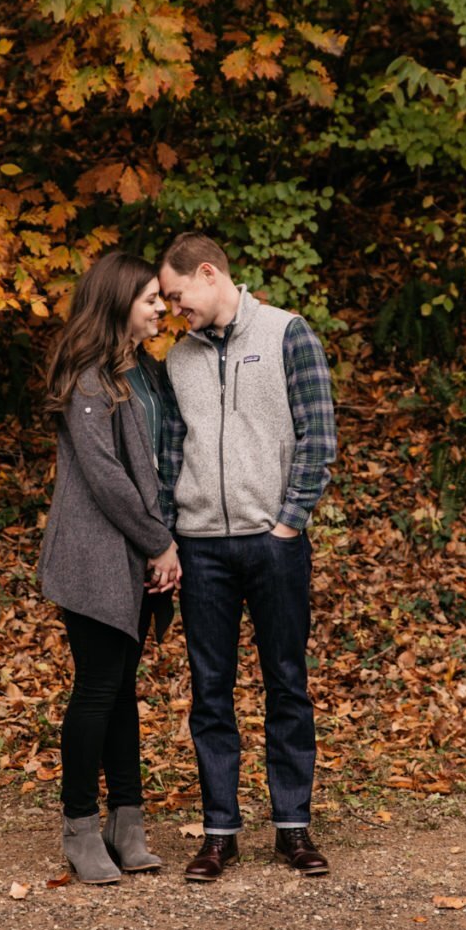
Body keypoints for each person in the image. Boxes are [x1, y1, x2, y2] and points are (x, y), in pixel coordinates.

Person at [157, 233, 337, 881]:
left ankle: (292, 827)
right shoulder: (176, 358)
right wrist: (169, 534)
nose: (175, 311)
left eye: (179, 297)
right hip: (201, 550)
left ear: (208, 274)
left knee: (286, 682)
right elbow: (169, 453)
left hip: (274, 543)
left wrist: (288, 525)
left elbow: (318, 435)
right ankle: (218, 832)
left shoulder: (289, 334)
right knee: (210, 692)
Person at [38, 251, 181, 885]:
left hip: (135, 554)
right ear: (118, 301)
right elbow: (106, 478)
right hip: (97, 556)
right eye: (150, 298)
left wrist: (159, 543)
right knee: (98, 690)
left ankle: (128, 822)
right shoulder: (89, 377)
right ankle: (79, 828)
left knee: (123, 692)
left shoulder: (138, 372)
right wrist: (159, 543)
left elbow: (154, 463)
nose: (159, 308)